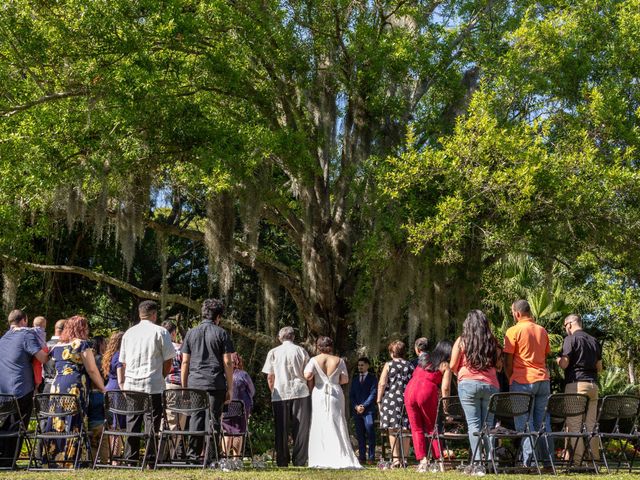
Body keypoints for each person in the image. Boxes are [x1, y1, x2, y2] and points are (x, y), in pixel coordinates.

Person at [119, 301, 175, 463]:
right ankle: (150, 459)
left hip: (132, 384)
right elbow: (168, 360)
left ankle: (131, 457)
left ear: (139, 314)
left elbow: (123, 362)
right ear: (154, 315)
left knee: (133, 422)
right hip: (153, 384)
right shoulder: (160, 332)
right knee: (152, 423)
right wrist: (161, 375)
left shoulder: (129, 333)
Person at [181, 298, 235, 462]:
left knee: (195, 419)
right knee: (213, 420)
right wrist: (230, 387)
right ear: (218, 316)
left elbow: (185, 362)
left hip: (195, 383)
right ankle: (212, 457)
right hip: (214, 382)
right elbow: (227, 361)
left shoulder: (191, 333)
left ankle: (192, 455)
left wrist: (185, 387)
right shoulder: (222, 333)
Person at [47, 315, 106, 464]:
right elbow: (92, 370)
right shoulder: (81, 344)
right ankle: (71, 458)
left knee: (57, 420)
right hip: (74, 386)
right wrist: (103, 388)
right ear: (81, 328)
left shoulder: (57, 346)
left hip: (57, 386)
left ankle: (54, 457)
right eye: (86, 327)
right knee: (73, 420)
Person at [449, 310, 502, 464]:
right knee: (488, 424)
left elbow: (452, 365)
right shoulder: (493, 341)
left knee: (474, 424)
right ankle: (491, 461)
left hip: (468, 383)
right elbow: (499, 367)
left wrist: (461, 372)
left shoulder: (462, 341)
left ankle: (478, 461)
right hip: (490, 385)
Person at [504, 299, 552, 467]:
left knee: (524, 423)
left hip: (522, 380)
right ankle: (546, 460)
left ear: (517, 313)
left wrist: (511, 377)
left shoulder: (513, 331)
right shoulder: (542, 330)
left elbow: (508, 360)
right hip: (543, 380)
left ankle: (529, 462)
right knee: (541, 423)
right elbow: (546, 355)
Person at [304, 336, 362, 469]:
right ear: (331, 347)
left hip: (319, 392)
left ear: (318, 347)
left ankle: (321, 455)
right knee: (337, 421)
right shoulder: (339, 360)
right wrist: (333, 380)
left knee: (320, 421)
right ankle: (339, 453)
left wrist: (317, 377)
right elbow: (345, 380)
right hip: (335, 392)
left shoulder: (314, 360)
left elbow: (307, 375)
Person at [0, 309, 48, 468]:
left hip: (3, 392)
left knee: (7, 424)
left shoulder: (3, 338)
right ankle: (10, 460)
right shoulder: (26, 335)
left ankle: (4, 459)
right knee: (19, 425)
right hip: (21, 388)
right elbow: (41, 357)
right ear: (24, 320)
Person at [261, 326, 311, 467]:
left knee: (281, 428)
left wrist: (273, 391)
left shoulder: (274, 352)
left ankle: (282, 460)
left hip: (280, 392)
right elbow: (308, 374)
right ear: (293, 337)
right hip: (301, 391)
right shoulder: (301, 351)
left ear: (280, 337)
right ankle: (300, 460)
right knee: (301, 428)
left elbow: (270, 376)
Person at [556, 314, 602, 465]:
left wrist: (557, 360)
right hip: (593, 386)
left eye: (564, 326)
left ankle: (577, 462)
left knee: (574, 424)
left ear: (569, 324)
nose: (565, 329)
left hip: (576, 384)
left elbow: (564, 364)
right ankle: (594, 460)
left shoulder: (571, 339)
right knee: (591, 425)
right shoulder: (594, 340)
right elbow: (599, 368)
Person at [404, 340, 452, 472]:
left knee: (416, 428)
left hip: (409, 390)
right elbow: (446, 388)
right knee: (432, 427)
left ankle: (423, 461)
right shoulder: (444, 365)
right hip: (426, 391)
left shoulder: (425, 358)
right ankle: (439, 461)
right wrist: (446, 409)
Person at [377, 340, 414, 468]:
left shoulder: (389, 365)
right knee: (405, 429)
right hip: (406, 398)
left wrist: (378, 399)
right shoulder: (410, 365)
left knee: (392, 429)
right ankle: (405, 459)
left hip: (391, 398)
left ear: (392, 352)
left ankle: (396, 459)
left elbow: (382, 383)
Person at [221, 352, 256, 456]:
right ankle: (236, 459)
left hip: (225, 408)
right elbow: (252, 391)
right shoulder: (243, 374)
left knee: (226, 433)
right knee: (238, 433)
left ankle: (225, 457)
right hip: (241, 410)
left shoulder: (222, 375)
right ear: (238, 361)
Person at [162, 320, 186, 457]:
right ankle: (167, 455)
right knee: (177, 423)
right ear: (173, 333)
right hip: (178, 386)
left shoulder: (158, 347)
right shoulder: (180, 348)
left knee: (163, 420)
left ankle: (160, 453)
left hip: (162, 386)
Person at [101, 331, 125, 460]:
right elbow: (121, 378)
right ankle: (115, 456)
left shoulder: (110, 355)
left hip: (109, 388)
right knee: (117, 426)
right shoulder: (120, 355)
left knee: (112, 425)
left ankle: (111, 455)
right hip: (117, 390)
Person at [349, 357, 377, 464]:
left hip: (368, 410)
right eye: (359, 365)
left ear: (367, 366)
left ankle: (371, 457)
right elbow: (351, 395)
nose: (360, 367)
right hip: (357, 412)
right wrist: (356, 406)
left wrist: (364, 406)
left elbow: (373, 394)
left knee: (370, 432)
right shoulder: (355, 379)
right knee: (360, 435)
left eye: (362, 365)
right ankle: (362, 457)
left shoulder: (372, 378)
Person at [43, 319, 66, 394]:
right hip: (60, 387)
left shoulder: (45, 345)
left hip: (46, 386)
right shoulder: (65, 346)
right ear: (66, 330)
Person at [31, 316, 47, 391]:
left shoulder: (33, 330)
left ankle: (38, 381)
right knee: (39, 366)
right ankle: (39, 381)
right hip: (44, 348)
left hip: (38, 349)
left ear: (33, 324)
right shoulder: (43, 332)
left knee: (36, 365)